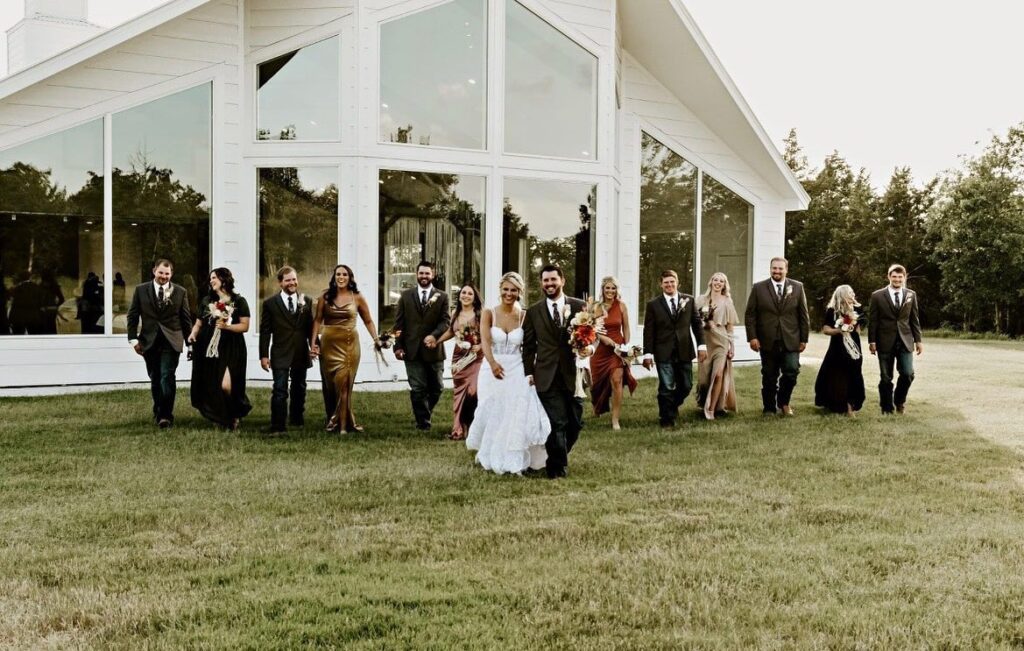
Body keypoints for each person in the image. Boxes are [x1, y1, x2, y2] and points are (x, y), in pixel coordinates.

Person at [467, 272, 550, 474]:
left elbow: (531, 345)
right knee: (491, 408)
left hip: (516, 368)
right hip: (491, 367)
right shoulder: (489, 313)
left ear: (519, 292)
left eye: (513, 290)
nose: (509, 293)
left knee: (514, 411)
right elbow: (485, 341)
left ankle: (514, 456)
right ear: (500, 290)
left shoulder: (524, 315)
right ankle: (489, 452)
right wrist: (493, 363)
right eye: (506, 289)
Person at [522, 264, 591, 479]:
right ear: (541, 283)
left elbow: (591, 337)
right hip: (546, 375)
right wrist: (529, 372)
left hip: (573, 374)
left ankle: (556, 456)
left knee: (575, 423)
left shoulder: (580, 307)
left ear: (562, 280)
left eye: (553, 279)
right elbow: (529, 345)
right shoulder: (533, 311)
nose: (549, 284)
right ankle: (557, 469)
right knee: (557, 422)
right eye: (545, 280)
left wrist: (589, 349)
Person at [310, 264, 381, 434]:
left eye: (344, 274)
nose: (341, 277)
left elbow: (368, 321)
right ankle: (336, 419)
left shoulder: (357, 297)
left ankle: (341, 425)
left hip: (349, 345)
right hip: (328, 345)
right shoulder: (325, 297)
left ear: (350, 278)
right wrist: (313, 343)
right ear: (334, 277)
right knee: (330, 385)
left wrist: (376, 339)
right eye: (338, 274)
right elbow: (318, 321)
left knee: (345, 383)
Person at [126, 259, 193, 429]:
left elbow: (186, 320)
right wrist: (133, 340)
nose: (163, 276)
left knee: (166, 376)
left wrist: (190, 343)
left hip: (172, 341)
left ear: (171, 274)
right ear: (154, 271)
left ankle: (166, 416)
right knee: (155, 378)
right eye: (161, 272)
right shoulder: (141, 290)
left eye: (167, 273)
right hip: (149, 341)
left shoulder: (180, 292)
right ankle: (158, 410)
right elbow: (133, 316)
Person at [744, 257, 810, 417]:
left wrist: (804, 339)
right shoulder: (759, 288)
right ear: (770, 269)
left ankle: (784, 402)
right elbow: (750, 315)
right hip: (767, 339)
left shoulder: (797, 287)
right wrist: (752, 337)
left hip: (791, 339)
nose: (777, 271)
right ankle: (769, 408)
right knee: (769, 375)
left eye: (780, 268)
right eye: (774, 268)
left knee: (792, 371)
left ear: (786, 269)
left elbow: (803, 315)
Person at [188, 267, 252, 430]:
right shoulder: (206, 300)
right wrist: (193, 335)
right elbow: (199, 323)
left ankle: (235, 413)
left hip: (231, 347)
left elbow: (245, 326)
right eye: (210, 279)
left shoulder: (239, 301)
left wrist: (227, 326)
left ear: (224, 279)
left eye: (214, 278)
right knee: (211, 383)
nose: (211, 281)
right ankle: (222, 417)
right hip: (208, 346)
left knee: (227, 385)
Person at [642, 269, 706, 428]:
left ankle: (671, 406)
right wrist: (647, 354)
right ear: (661, 284)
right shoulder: (653, 305)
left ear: (677, 283)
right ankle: (666, 419)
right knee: (667, 386)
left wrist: (702, 346)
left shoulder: (689, 300)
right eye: (666, 283)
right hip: (663, 351)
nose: (669, 285)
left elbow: (697, 325)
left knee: (686, 385)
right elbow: (648, 331)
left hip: (684, 349)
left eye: (672, 282)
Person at [393, 260, 451, 431]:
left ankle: (423, 413)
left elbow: (445, 322)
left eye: (427, 273)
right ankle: (423, 423)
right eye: (421, 273)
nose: (424, 276)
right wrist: (397, 346)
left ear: (433, 275)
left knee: (437, 388)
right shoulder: (406, 296)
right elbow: (398, 324)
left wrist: (433, 336)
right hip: (412, 350)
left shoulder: (442, 296)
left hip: (434, 350)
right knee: (418, 388)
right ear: (417, 275)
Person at [259, 266, 314, 434]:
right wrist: (263, 355)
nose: (292, 283)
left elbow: (311, 327)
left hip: (300, 350)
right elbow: (265, 331)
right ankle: (278, 425)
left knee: (299, 387)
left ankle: (297, 420)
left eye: (294, 279)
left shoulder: (307, 301)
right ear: (280, 283)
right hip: (280, 351)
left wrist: (314, 345)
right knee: (280, 389)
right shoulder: (270, 304)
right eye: (288, 280)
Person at [868, 264, 923, 414]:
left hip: (905, 340)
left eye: (900, 277)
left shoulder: (911, 294)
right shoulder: (877, 295)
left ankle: (899, 401)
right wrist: (871, 341)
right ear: (889, 277)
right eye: (894, 276)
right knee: (886, 377)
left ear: (904, 277)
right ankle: (886, 408)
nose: (897, 279)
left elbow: (914, 319)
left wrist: (918, 340)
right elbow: (873, 320)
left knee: (908, 373)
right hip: (884, 340)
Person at [436, 283, 484, 441]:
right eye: (464, 293)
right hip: (459, 358)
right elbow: (451, 331)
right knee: (459, 393)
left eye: (470, 293)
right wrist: (437, 341)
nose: (466, 296)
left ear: (475, 297)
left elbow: (489, 335)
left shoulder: (481, 314)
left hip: (476, 358)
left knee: (473, 391)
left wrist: (481, 345)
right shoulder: (455, 312)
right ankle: (458, 429)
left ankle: (472, 427)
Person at [590, 276, 637, 430]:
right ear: (602, 290)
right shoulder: (596, 307)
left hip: (618, 349)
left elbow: (627, 328)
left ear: (617, 290)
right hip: (601, 349)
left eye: (613, 288)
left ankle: (615, 419)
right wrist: (604, 339)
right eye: (607, 288)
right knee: (597, 385)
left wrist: (626, 347)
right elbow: (593, 330)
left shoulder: (622, 306)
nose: (610, 291)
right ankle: (597, 406)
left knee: (617, 380)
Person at [814, 285, 867, 415]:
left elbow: (858, 329)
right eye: (850, 293)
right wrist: (840, 330)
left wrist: (854, 341)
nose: (853, 295)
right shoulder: (832, 311)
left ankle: (851, 404)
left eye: (853, 292)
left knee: (854, 373)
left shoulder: (858, 309)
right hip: (837, 348)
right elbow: (826, 330)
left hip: (854, 347)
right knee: (838, 376)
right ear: (842, 295)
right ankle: (839, 405)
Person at [695, 272, 739, 420]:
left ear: (724, 284)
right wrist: (704, 323)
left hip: (721, 341)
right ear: (711, 282)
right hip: (705, 342)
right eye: (715, 280)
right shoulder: (701, 300)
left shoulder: (727, 301)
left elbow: (730, 327)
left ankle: (711, 409)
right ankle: (703, 403)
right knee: (704, 379)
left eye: (721, 281)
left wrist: (732, 347)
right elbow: (694, 321)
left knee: (718, 374)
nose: (718, 283)